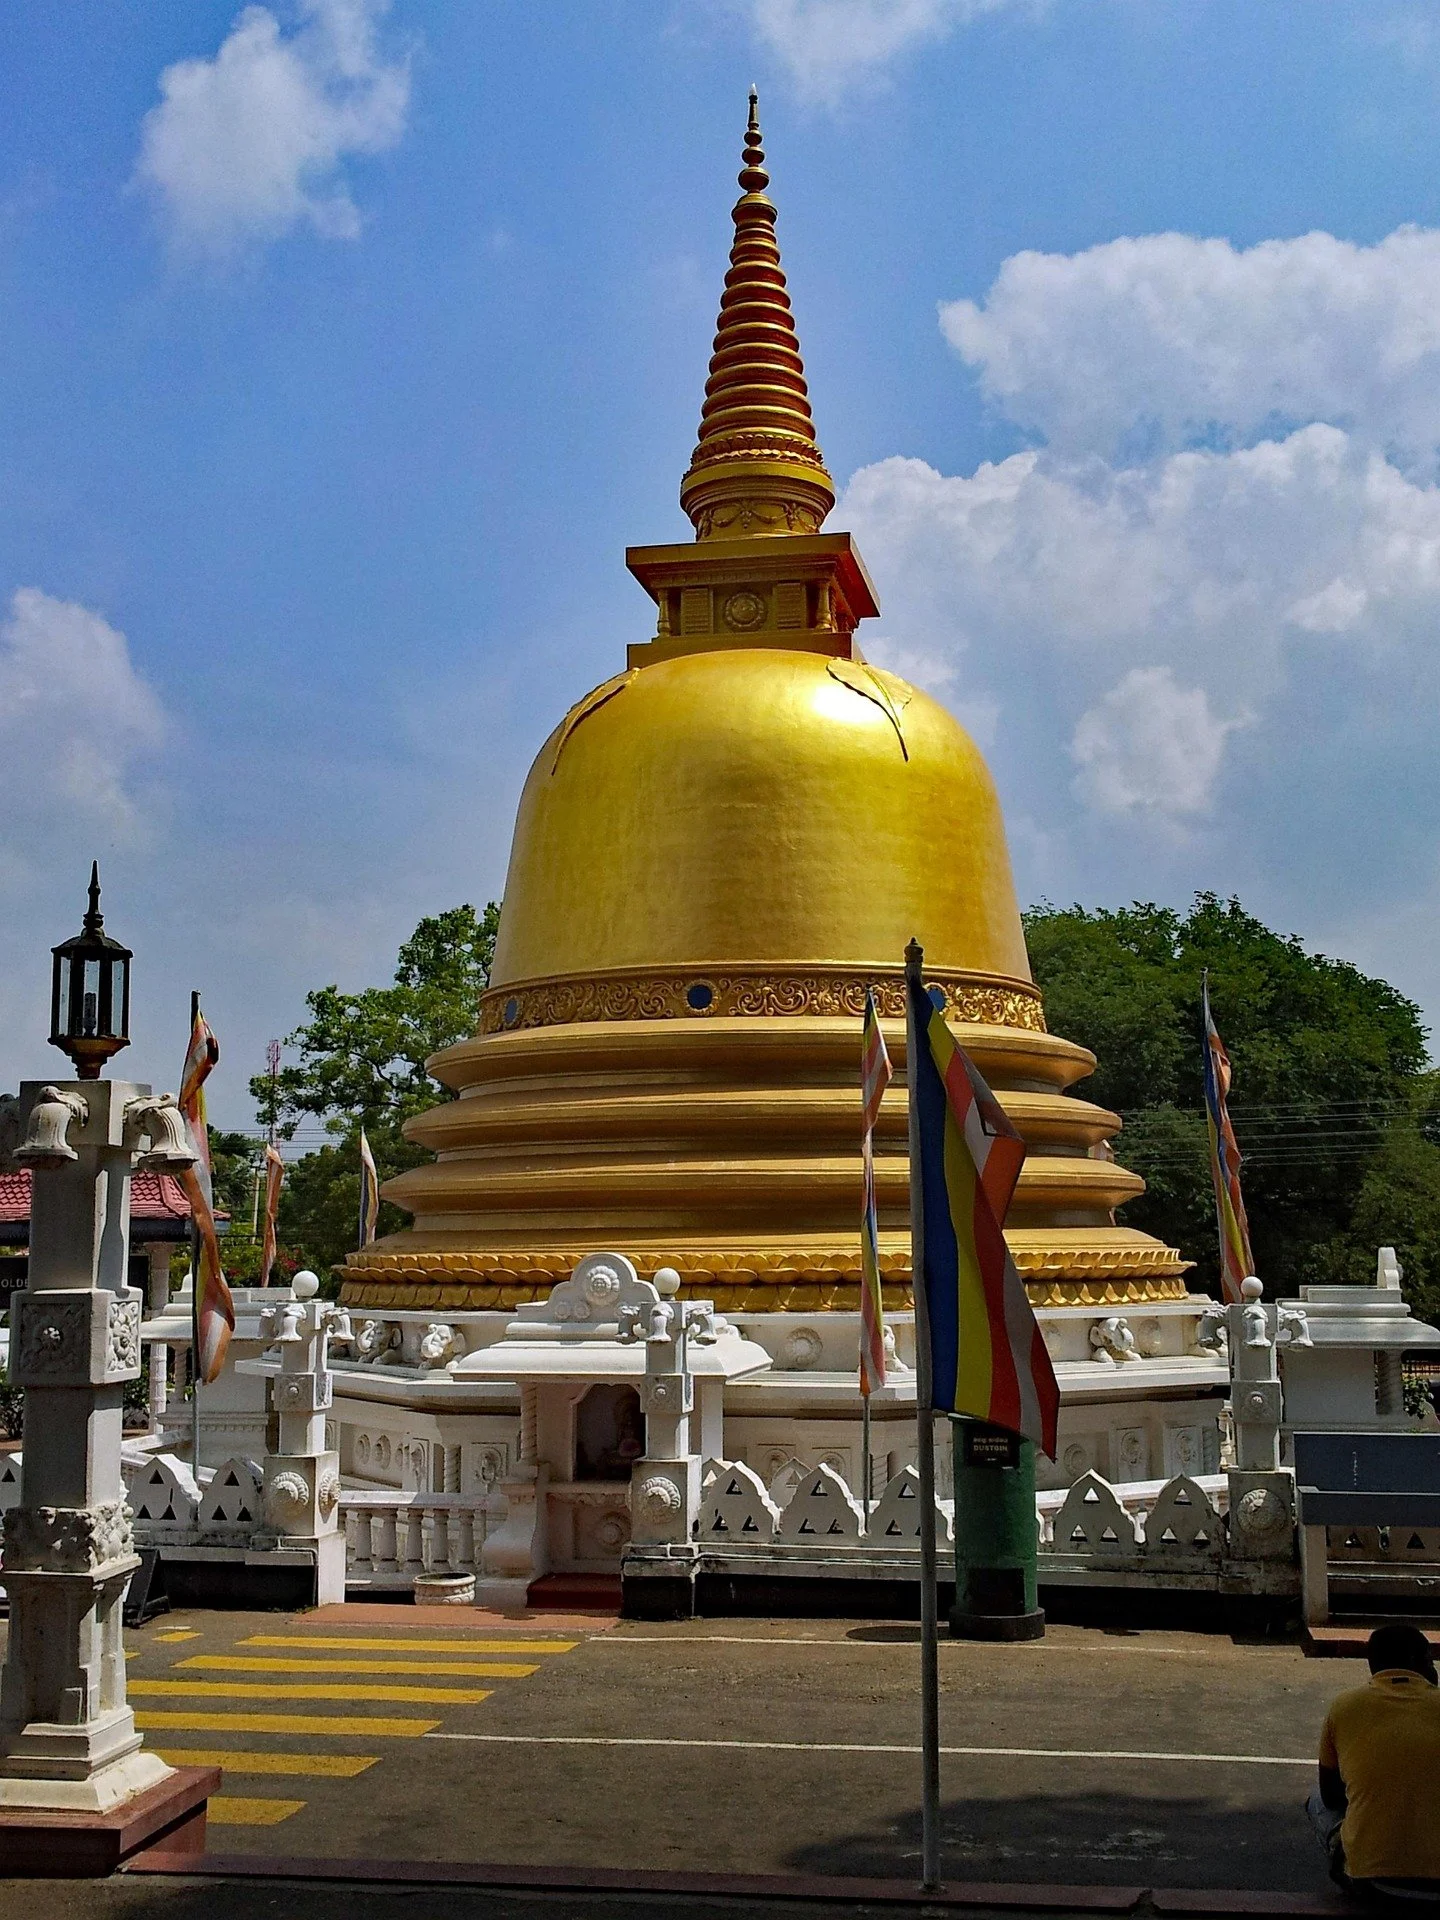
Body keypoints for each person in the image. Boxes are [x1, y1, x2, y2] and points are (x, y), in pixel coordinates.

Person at [1308, 1623, 1440, 1904]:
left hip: (1373, 1883)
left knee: (1317, 1801)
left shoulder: (1344, 1706)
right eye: (1430, 1660)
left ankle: (1361, 1855)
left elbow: (1330, 1795)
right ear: (1418, 1663)